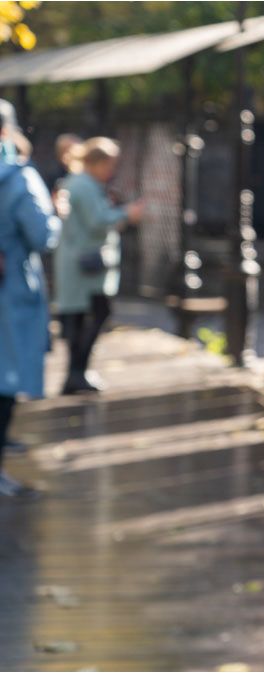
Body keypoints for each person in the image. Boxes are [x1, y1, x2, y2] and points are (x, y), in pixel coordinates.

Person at [0, 98, 60, 497]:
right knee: (4, 379)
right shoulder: (18, 177)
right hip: (9, 291)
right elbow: (43, 235)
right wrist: (57, 214)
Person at [53, 137, 143, 394]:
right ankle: (76, 373)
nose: (112, 170)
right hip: (84, 265)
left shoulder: (78, 182)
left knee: (81, 319)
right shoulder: (83, 184)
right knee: (93, 316)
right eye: (110, 164)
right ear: (98, 162)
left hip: (79, 263)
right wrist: (127, 213)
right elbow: (97, 220)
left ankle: (77, 373)